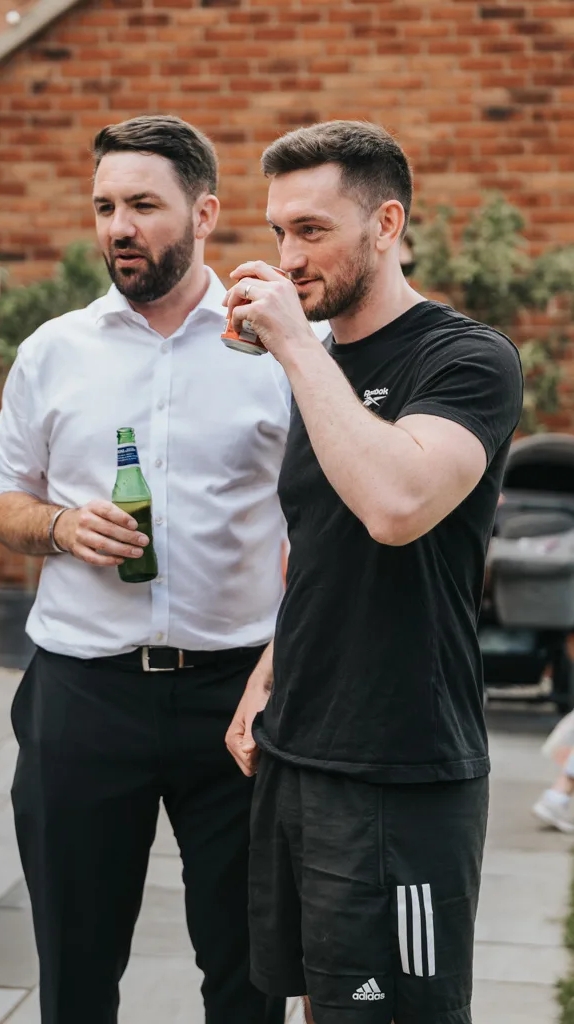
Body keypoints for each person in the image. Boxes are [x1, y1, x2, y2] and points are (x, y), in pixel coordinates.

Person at [0, 115, 289, 1024]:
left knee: (248, 971)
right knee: (75, 966)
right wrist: (64, 525)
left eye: (144, 205)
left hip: (237, 697)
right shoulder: (54, 352)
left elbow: (323, 523)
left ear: (204, 214)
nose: (119, 226)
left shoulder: (276, 351)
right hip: (83, 692)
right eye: (106, 205)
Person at [225, 121, 524, 1024]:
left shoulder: (467, 358)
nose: (288, 256)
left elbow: (395, 508)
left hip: (400, 762)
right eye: (278, 231)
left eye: (311, 230)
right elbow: (327, 546)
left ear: (385, 224)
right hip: (299, 742)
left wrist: (296, 350)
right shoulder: (321, 366)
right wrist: (268, 674)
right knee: (321, 1001)